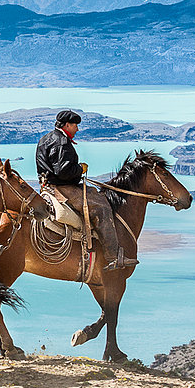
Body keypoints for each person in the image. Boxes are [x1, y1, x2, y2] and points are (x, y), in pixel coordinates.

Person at [35, 110, 136, 271]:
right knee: (102, 207)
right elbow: (63, 171)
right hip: (62, 188)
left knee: (95, 195)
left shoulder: (46, 138)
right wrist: (80, 169)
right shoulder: (62, 142)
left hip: (48, 185)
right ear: (67, 125)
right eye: (75, 125)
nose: (77, 129)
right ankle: (114, 257)